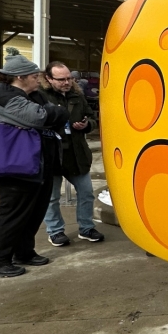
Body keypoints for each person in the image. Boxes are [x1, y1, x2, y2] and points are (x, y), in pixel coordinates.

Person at [0, 55, 69, 278]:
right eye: (34, 76)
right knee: (13, 213)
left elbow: (49, 114)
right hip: (16, 166)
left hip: (38, 164)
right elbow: (37, 117)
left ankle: (24, 252)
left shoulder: (34, 95)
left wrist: (53, 113)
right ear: (20, 77)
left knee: (34, 211)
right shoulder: (5, 96)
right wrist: (56, 113)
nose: (38, 80)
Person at [41, 61, 104, 246]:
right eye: (61, 79)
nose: (66, 82)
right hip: (52, 154)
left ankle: (86, 228)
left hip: (77, 154)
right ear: (49, 79)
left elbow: (91, 117)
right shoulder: (41, 97)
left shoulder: (78, 95)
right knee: (52, 197)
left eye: (69, 78)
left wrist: (87, 125)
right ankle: (55, 231)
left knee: (86, 193)